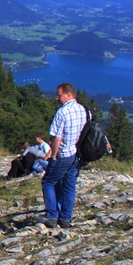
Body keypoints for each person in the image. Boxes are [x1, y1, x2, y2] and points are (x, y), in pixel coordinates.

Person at [41, 83, 88, 229]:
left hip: (63, 154)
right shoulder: (83, 110)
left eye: (59, 95)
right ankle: (65, 218)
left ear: (68, 95)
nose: (57, 98)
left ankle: (52, 216)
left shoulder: (62, 112)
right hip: (76, 155)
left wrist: (53, 155)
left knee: (48, 182)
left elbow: (56, 138)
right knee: (69, 187)